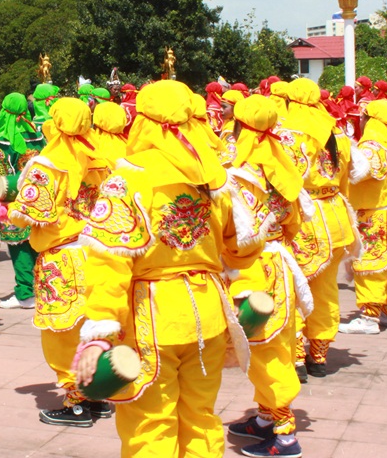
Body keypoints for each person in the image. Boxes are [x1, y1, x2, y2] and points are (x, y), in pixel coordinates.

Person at [75, 80, 258, 458]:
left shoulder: (127, 181)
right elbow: (243, 247)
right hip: (208, 314)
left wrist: (100, 330)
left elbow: (109, 262)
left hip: (153, 317)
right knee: (201, 417)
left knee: (150, 424)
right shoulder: (214, 177)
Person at [2, 98, 110, 427]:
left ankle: (76, 403)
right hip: (94, 253)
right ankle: (96, 395)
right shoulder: (100, 158)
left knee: (61, 333)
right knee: (91, 325)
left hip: (62, 256)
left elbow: (32, 213)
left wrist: (6, 209)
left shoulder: (48, 163)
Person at [224, 95, 311, 458]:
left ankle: (285, 433)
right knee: (272, 346)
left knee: (266, 352)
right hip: (279, 263)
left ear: (240, 127)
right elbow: (295, 221)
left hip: (252, 271)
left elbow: (235, 234)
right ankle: (264, 416)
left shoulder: (238, 175)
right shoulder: (280, 166)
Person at [281, 77, 362, 380]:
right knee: (326, 290)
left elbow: (285, 182)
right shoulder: (336, 131)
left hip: (305, 218)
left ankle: (296, 357)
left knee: (294, 288)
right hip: (336, 216)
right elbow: (346, 179)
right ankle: (318, 355)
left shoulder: (289, 134)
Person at [339, 100, 387, 334]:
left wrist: (346, 152)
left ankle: (369, 318)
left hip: (376, 214)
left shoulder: (374, 143)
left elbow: (363, 172)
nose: (360, 121)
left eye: (362, 117)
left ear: (370, 119)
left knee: (369, 265)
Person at [0, 92, 46, 310]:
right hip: (38, 198)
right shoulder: (37, 136)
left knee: (19, 247)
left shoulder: (2, 140)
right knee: (37, 244)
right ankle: (43, 289)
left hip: (13, 201)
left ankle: (25, 293)